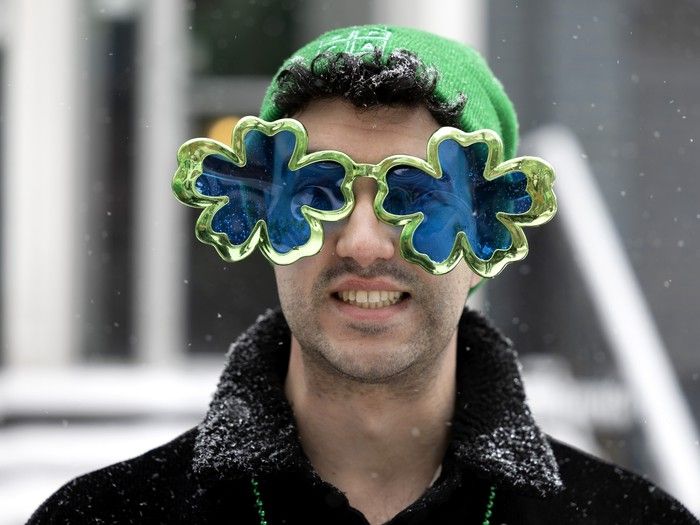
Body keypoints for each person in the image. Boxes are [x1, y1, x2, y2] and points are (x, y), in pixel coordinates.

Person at [29, 24, 698, 525]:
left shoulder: (630, 519)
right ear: (262, 210)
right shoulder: (102, 515)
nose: (364, 243)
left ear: (487, 229)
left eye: (416, 195)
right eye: (318, 191)